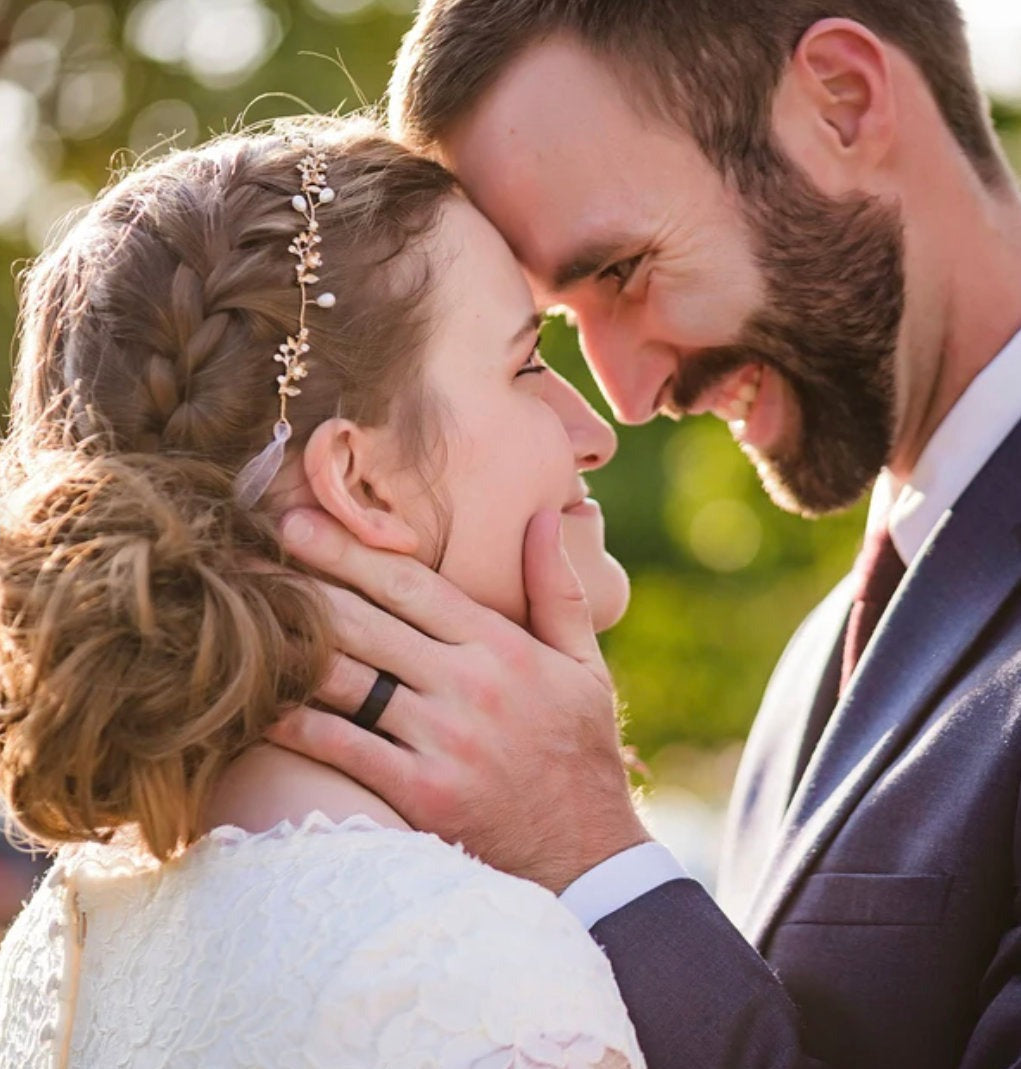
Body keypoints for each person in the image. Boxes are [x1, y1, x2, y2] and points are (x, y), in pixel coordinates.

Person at [264, 2, 1021, 1067]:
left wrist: (586, 848)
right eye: (556, 330)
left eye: (620, 270)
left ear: (843, 101)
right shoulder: (821, 659)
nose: (622, 396)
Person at [0, 115, 645, 1068]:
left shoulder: (65, 938)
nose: (594, 431)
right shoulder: (465, 965)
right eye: (525, 364)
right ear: (359, 484)